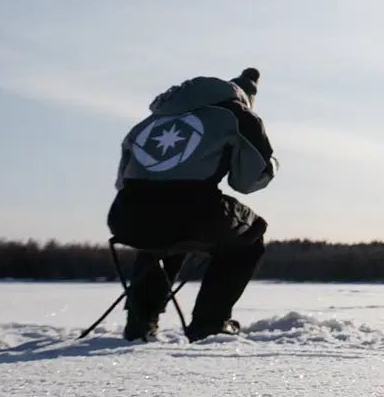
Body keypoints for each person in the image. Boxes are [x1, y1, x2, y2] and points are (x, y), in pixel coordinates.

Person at [107, 67, 279, 342]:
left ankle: (140, 323)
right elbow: (247, 181)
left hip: (126, 216)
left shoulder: (148, 123)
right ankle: (210, 324)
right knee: (251, 234)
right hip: (193, 213)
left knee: (159, 235)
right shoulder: (236, 115)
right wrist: (270, 165)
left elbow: (123, 182)